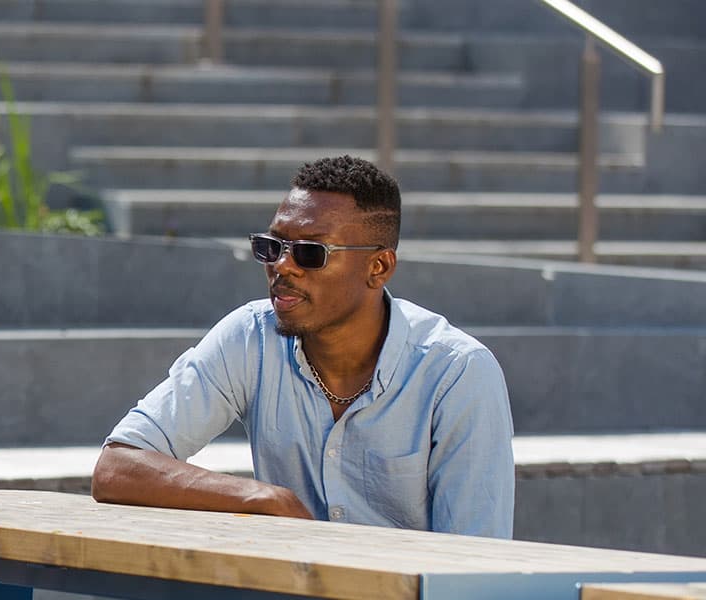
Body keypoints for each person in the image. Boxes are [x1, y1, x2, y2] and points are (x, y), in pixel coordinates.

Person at [90, 156, 515, 538]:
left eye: (311, 253)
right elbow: (118, 467)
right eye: (271, 246)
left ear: (378, 267)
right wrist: (261, 497)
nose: (282, 266)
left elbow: (476, 559)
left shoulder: (457, 373)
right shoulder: (250, 337)